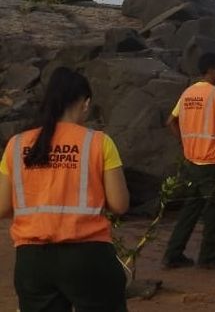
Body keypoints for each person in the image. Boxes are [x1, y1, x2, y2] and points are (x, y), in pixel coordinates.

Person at [0, 67, 130, 311]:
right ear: (85, 103)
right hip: (88, 255)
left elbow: (2, 207)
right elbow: (120, 204)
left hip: (32, 260)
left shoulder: (16, 145)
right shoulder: (99, 142)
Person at [162, 52, 215, 270]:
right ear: (211, 70)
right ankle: (210, 257)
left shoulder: (188, 93)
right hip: (211, 161)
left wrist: (185, 142)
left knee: (191, 208)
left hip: (191, 160)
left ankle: (173, 253)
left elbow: (170, 122)